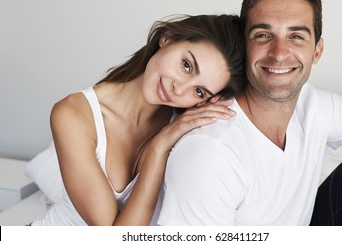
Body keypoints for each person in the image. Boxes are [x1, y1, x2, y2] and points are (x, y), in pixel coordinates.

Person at [157, 0, 342, 225]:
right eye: (263, 35)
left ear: (317, 51)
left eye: (296, 36)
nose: (279, 53)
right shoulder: (211, 152)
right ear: (244, 45)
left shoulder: (313, 106)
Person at [31, 14, 245, 226]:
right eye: (186, 66)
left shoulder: (186, 127)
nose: (178, 89)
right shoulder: (73, 114)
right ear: (167, 38)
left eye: (199, 91)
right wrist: (158, 148)